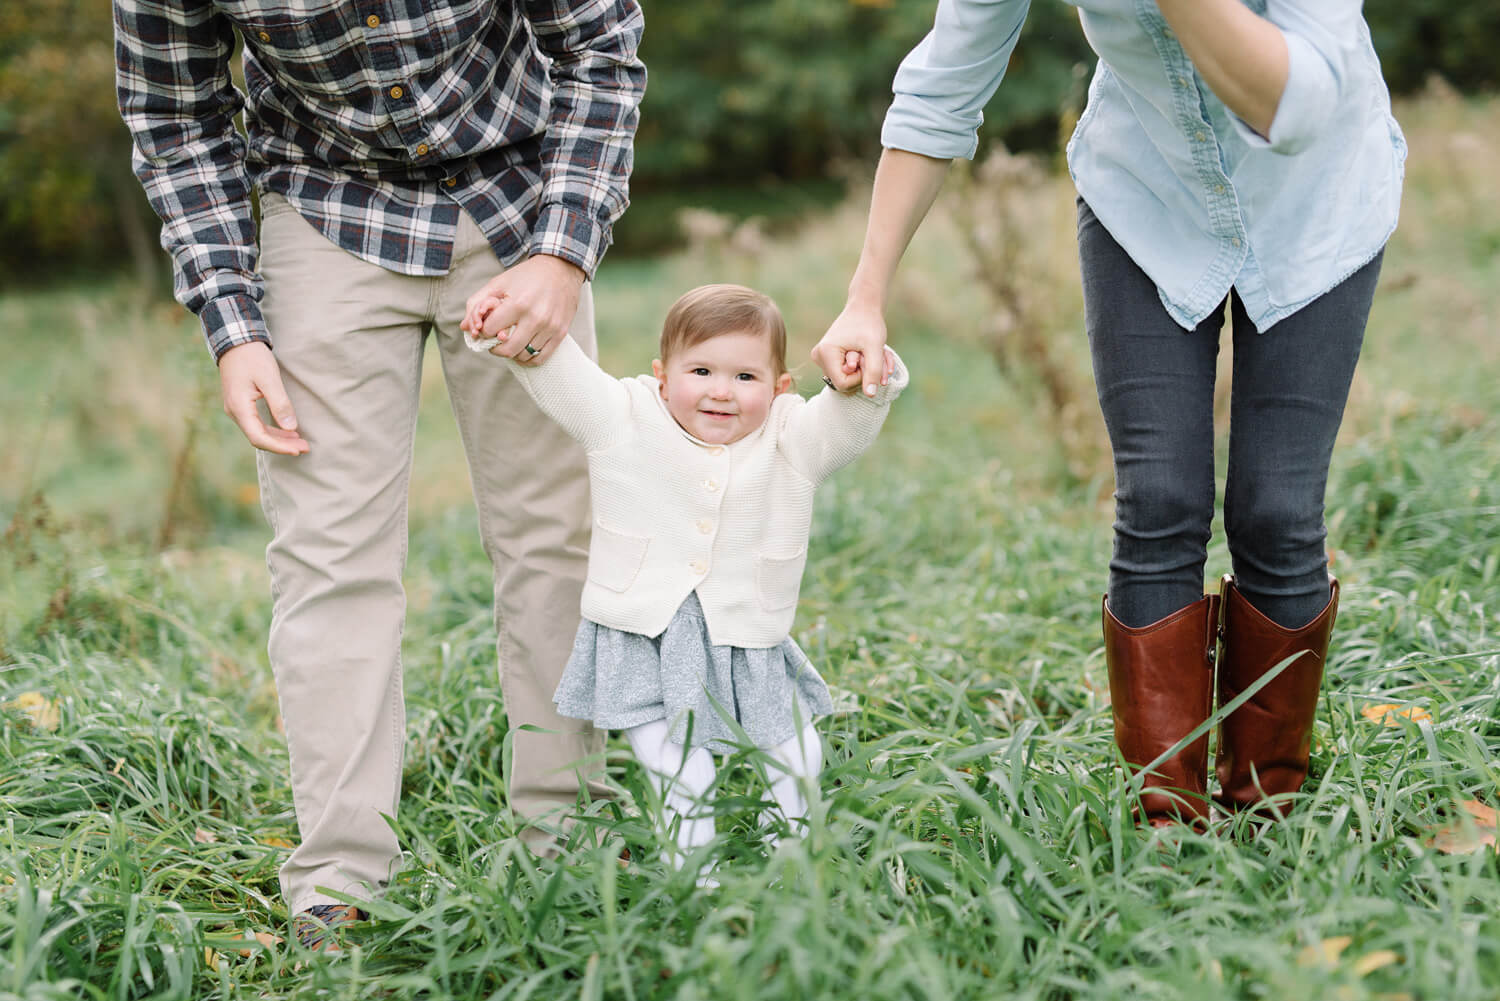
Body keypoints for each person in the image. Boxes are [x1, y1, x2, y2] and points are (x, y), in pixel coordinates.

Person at [112, 0, 646, 946]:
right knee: (329, 553)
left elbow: (599, 42)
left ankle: (570, 836)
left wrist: (565, 252)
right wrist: (233, 326)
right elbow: (175, 114)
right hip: (326, 207)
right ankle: (339, 875)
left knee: (556, 535)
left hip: (516, 196)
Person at [812, 1, 1405, 826]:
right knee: (1159, 498)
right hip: (1147, 194)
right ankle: (1167, 831)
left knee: (1276, 507)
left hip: (1317, 201)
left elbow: (1294, 109)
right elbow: (941, 89)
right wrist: (864, 297)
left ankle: (1272, 815)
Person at [462, 283, 907, 877]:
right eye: (701, 370)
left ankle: (793, 862)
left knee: (797, 754)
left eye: (746, 378)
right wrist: (509, 328)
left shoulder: (790, 438)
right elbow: (560, 375)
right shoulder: (623, 418)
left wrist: (859, 384)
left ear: (779, 389)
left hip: (746, 638)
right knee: (680, 767)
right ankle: (696, 878)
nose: (721, 391)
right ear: (662, 377)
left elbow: (842, 426)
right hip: (643, 639)